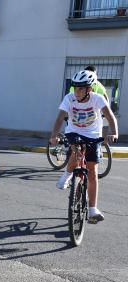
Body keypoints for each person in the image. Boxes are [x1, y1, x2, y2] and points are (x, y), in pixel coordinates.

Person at [50, 69, 118, 223]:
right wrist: (53, 136)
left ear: (89, 89)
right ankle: (67, 175)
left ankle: (93, 209)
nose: (77, 91)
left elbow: (110, 116)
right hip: (74, 131)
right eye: (75, 87)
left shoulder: (97, 98)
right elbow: (60, 117)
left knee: (92, 171)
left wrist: (114, 133)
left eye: (81, 88)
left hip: (93, 133)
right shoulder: (69, 98)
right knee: (77, 150)